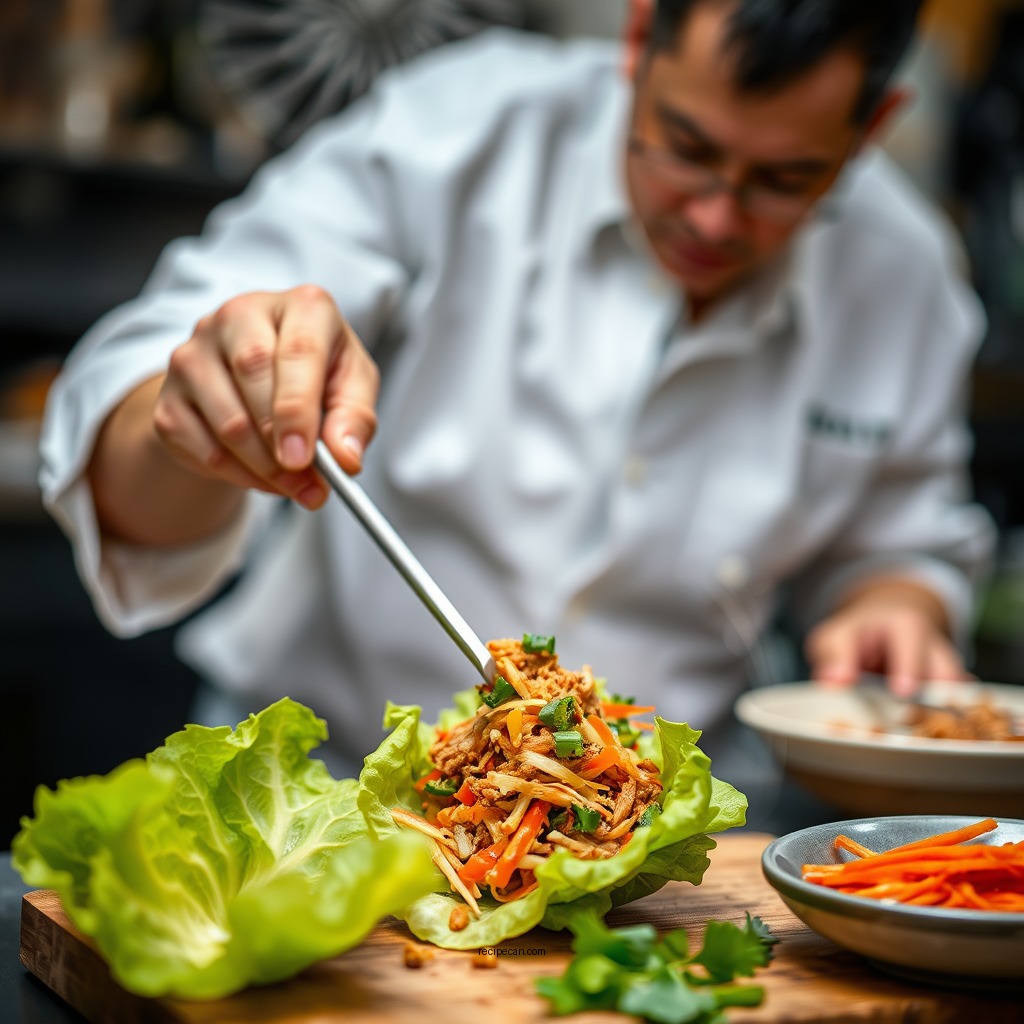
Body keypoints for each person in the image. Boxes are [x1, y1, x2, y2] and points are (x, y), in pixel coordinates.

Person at [40, 0, 995, 787]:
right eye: (685, 147)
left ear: (872, 130)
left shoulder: (904, 275)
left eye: (785, 180)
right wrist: (204, 403)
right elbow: (147, 381)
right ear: (637, 41)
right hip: (326, 790)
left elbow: (898, 543)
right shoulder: (452, 130)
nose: (714, 214)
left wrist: (895, 602)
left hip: (660, 839)